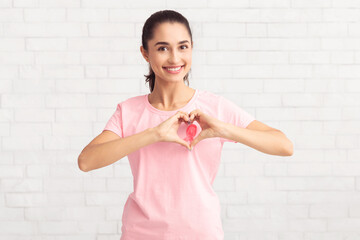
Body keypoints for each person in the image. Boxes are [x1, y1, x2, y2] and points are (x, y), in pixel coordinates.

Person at [78, 9, 294, 240]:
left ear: (192, 48)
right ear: (145, 53)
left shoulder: (214, 107)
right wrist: (155, 134)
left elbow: (283, 145)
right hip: (140, 233)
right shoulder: (129, 111)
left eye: (183, 47)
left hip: (201, 233)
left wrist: (224, 129)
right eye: (162, 48)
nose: (174, 58)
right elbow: (86, 161)